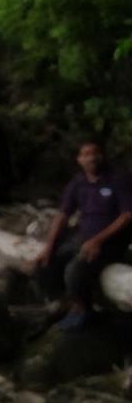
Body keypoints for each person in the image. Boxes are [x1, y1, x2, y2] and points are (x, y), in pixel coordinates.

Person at [35, 141, 132, 331]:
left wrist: (98, 240)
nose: (91, 158)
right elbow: (63, 215)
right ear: (79, 160)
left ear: (103, 156)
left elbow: (127, 215)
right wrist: (48, 247)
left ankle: (83, 310)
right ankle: (59, 302)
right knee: (44, 263)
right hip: (82, 237)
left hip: (110, 241)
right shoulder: (78, 183)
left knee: (75, 270)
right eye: (86, 154)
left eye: (95, 153)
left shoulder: (119, 180)